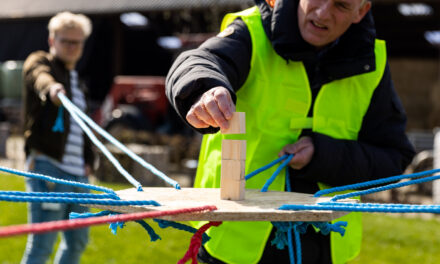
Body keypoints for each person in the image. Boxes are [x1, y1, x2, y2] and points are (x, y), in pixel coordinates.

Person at [166, 0, 416, 263]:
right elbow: (198, 61)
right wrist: (203, 89)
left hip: (325, 245)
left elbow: (392, 158)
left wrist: (322, 157)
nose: (323, 13)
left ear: (361, 11)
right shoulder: (251, 31)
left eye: (341, 5)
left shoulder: (371, 62)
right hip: (235, 240)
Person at [21, 12, 93, 264]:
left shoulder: (79, 82)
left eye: (77, 42)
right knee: (42, 244)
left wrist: (88, 162)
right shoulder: (41, 62)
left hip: (79, 176)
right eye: (66, 41)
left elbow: (84, 130)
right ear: (52, 40)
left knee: (78, 242)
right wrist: (51, 88)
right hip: (48, 168)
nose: (72, 47)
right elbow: (38, 74)